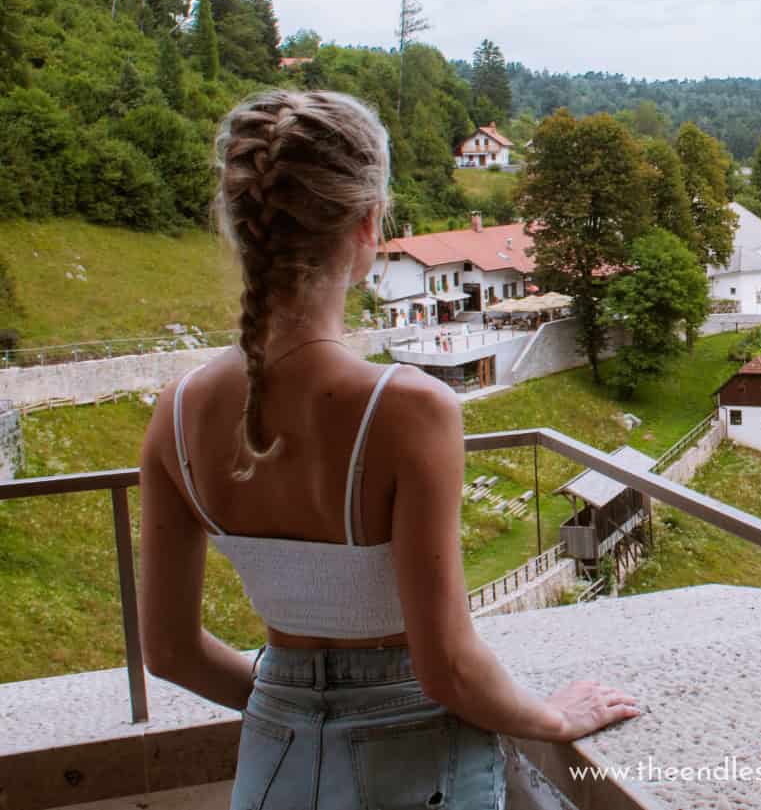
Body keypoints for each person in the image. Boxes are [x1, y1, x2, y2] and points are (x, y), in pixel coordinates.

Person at [136, 91, 640, 809]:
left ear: (242, 226)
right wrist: (554, 718)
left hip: (270, 770)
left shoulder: (177, 412)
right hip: (415, 767)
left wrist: (290, 704)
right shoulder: (407, 409)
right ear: (368, 223)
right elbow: (447, 667)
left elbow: (169, 651)